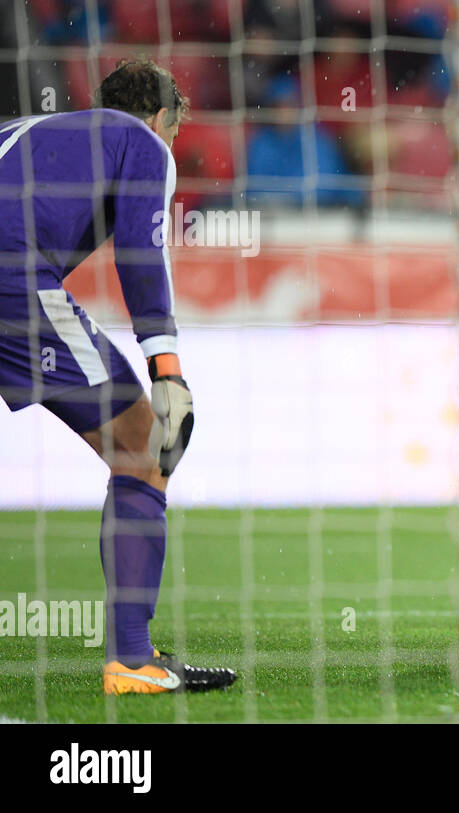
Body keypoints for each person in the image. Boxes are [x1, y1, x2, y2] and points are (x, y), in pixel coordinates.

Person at [0, 59, 236, 694]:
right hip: (9, 280)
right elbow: (141, 250)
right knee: (142, 446)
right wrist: (167, 369)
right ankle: (133, 661)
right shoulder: (143, 143)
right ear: (161, 118)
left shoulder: (25, 129)